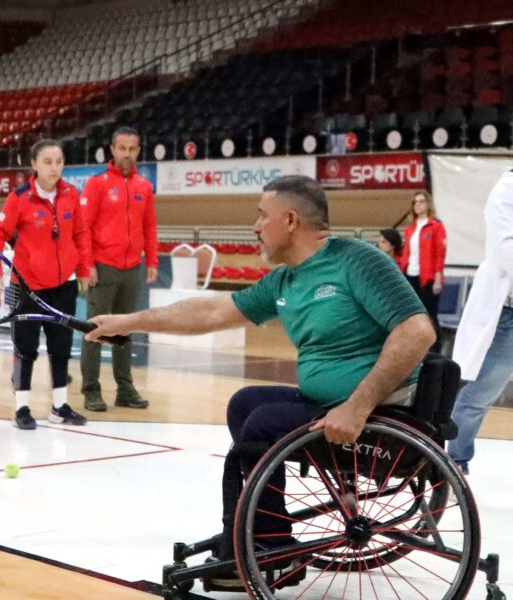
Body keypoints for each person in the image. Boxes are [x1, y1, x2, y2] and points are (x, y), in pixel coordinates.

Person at [85, 175, 434, 587]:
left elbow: (418, 331)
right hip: (332, 407)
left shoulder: (356, 260)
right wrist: (130, 322)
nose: (255, 227)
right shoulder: (285, 280)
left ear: (290, 221)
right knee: (245, 404)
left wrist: (358, 406)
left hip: (381, 413)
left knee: (263, 424)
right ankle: (259, 531)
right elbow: (212, 312)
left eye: (261, 216)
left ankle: (272, 549)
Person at [0, 139, 93, 430]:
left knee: (61, 347)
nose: (54, 168)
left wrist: (83, 268)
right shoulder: (19, 198)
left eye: (59, 162)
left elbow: (80, 234)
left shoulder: (71, 194)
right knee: (26, 348)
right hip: (27, 287)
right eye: (47, 162)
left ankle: (60, 407)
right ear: (34, 164)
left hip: (64, 285)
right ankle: (22, 409)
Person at [79, 126, 158, 412]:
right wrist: (87, 264)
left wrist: (152, 260)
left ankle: (125, 388)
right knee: (95, 330)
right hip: (103, 267)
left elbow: (149, 226)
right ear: (112, 150)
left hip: (132, 268)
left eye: (132, 149)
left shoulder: (144, 187)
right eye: (122, 148)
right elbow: (83, 227)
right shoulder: (96, 184)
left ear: (138, 151)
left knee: (126, 329)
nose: (127, 154)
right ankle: (91, 389)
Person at [449, 171, 513, 476]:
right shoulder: (505, 191)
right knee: (479, 395)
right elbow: (505, 250)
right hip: (507, 311)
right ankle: (453, 462)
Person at [399, 190, 447, 350]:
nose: (418, 205)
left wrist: (438, 278)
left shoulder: (436, 226)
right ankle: (417, 349)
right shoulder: (410, 229)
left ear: (427, 204)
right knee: (413, 315)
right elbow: (406, 253)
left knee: (430, 315)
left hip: (428, 277)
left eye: (421, 201)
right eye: (415, 202)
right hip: (410, 275)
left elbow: (440, 254)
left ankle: (435, 351)